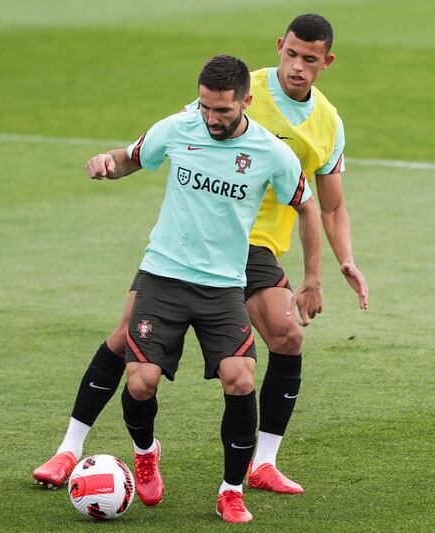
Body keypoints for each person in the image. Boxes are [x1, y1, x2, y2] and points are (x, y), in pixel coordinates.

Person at [34, 13, 368, 496]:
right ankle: (69, 447)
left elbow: (329, 205)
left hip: (254, 249)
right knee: (128, 336)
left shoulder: (327, 122)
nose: (297, 66)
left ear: (326, 63)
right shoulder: (235, 88)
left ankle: (264, 463)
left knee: (288, 336)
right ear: (280, 47)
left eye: (309, 60)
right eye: (291, 54)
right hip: (193, 243)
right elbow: (186, 134)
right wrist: (115, 161)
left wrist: (342, 263)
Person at [79, 54, 321, 523]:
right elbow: (131, 159)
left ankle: (231, 490)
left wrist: (312, 280)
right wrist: (107, 164)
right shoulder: (179, 126)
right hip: (164, 275)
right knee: (141, 382)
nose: (211, 118)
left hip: (223, 287)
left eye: (223, 111)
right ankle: (146, 452)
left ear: (245, 102)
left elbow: (307, 207)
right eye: (206, 107)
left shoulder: (271, 152)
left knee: (241, 377)